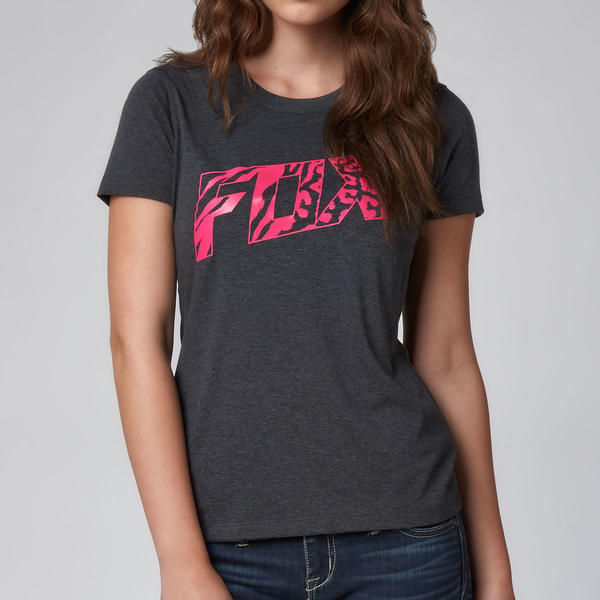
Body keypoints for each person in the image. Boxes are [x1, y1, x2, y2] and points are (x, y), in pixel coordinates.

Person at [96, 1, 515, 598]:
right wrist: (180, 561)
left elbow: (445, 355)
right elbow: (135, 344)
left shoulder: (429, 116)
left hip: (408, 543)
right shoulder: (170, 104)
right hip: (229, 552)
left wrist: (494, 568)